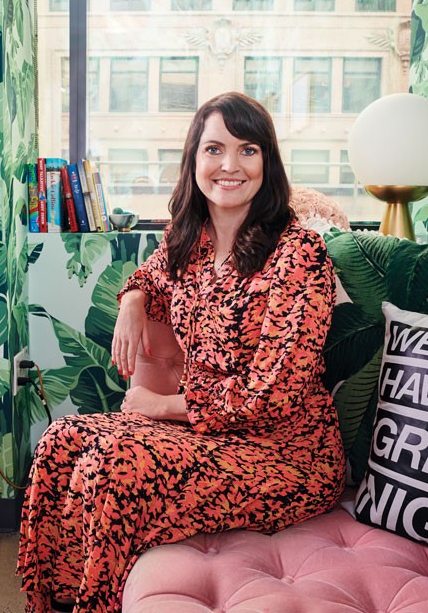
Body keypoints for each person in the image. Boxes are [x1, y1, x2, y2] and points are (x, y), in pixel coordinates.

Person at [17, 92, 345, 612]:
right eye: (214, 149)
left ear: (268, 162)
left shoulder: (299, 253)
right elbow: (150, 272)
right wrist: (132, 297)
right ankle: (52, 601)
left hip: (284, 454)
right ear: (194, 160)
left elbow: (273, 394)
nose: (230, 166)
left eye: (248, 150)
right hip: (205, 432)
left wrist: (162, 407)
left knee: (113, 466)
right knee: (60, 439)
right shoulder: (188, 239)